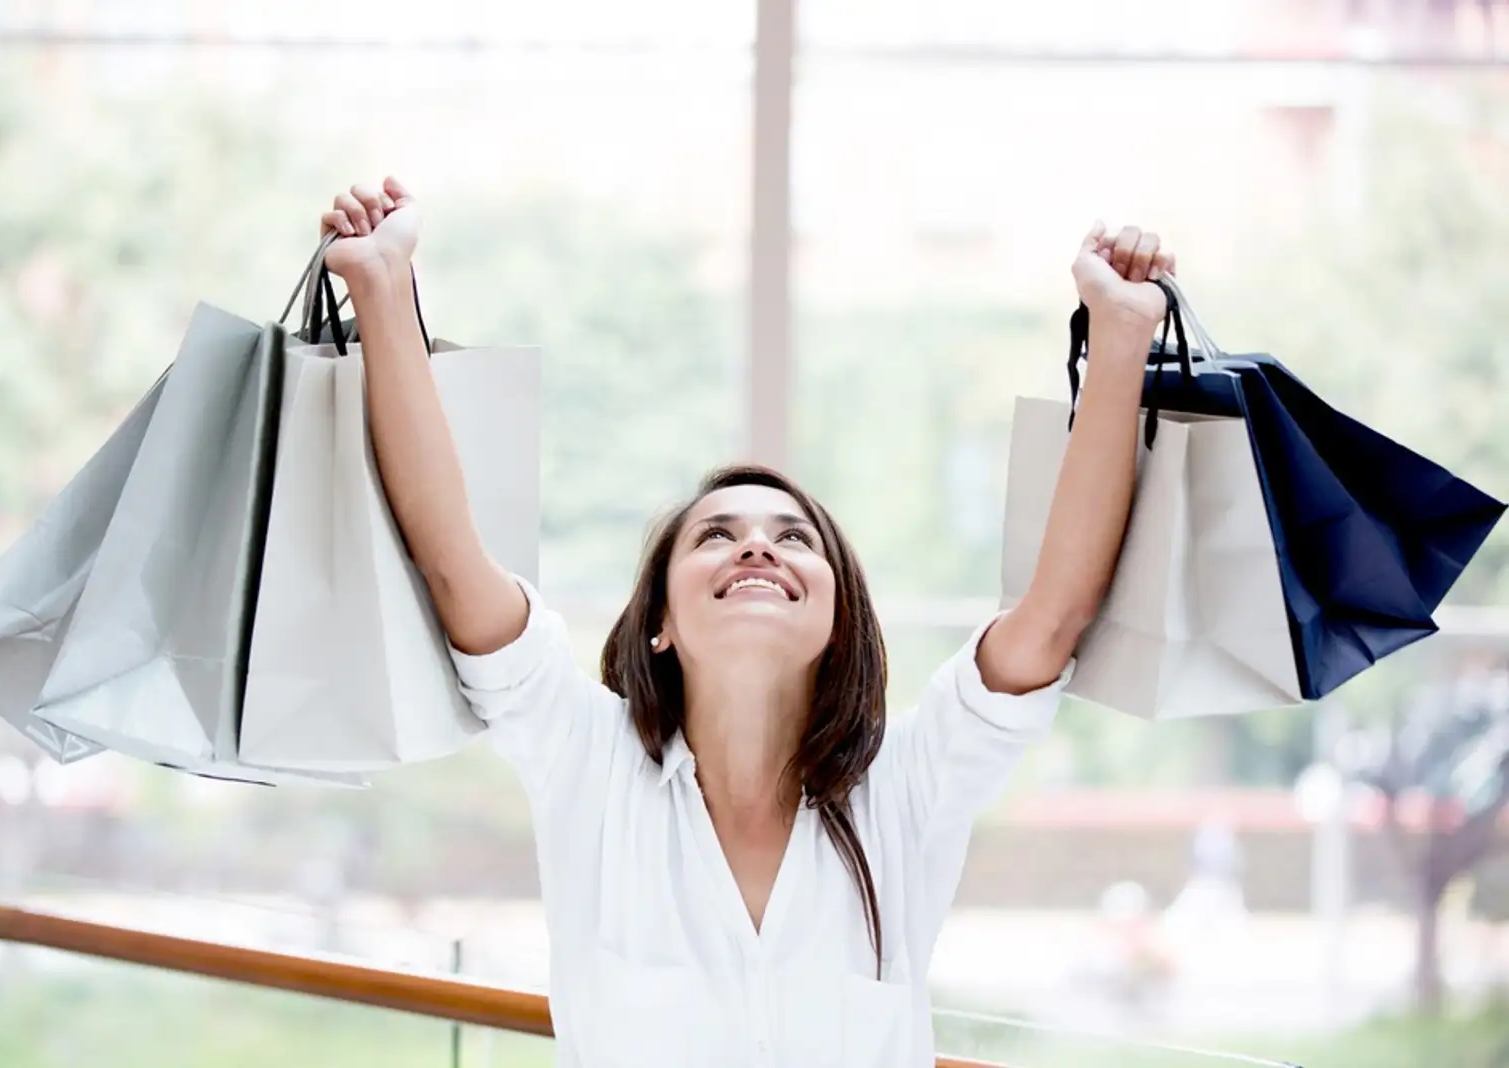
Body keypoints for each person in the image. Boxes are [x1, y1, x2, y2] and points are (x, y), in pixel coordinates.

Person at [320, 177, 1176, 1068]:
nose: (756, 549)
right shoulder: (588, 765)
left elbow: (1056, 613)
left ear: (840, 622)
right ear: (660, 624)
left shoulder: (909, 788)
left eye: (793, 538)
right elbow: (453, 557)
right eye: (717, 536)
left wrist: (1119, 338)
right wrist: (381, 286)